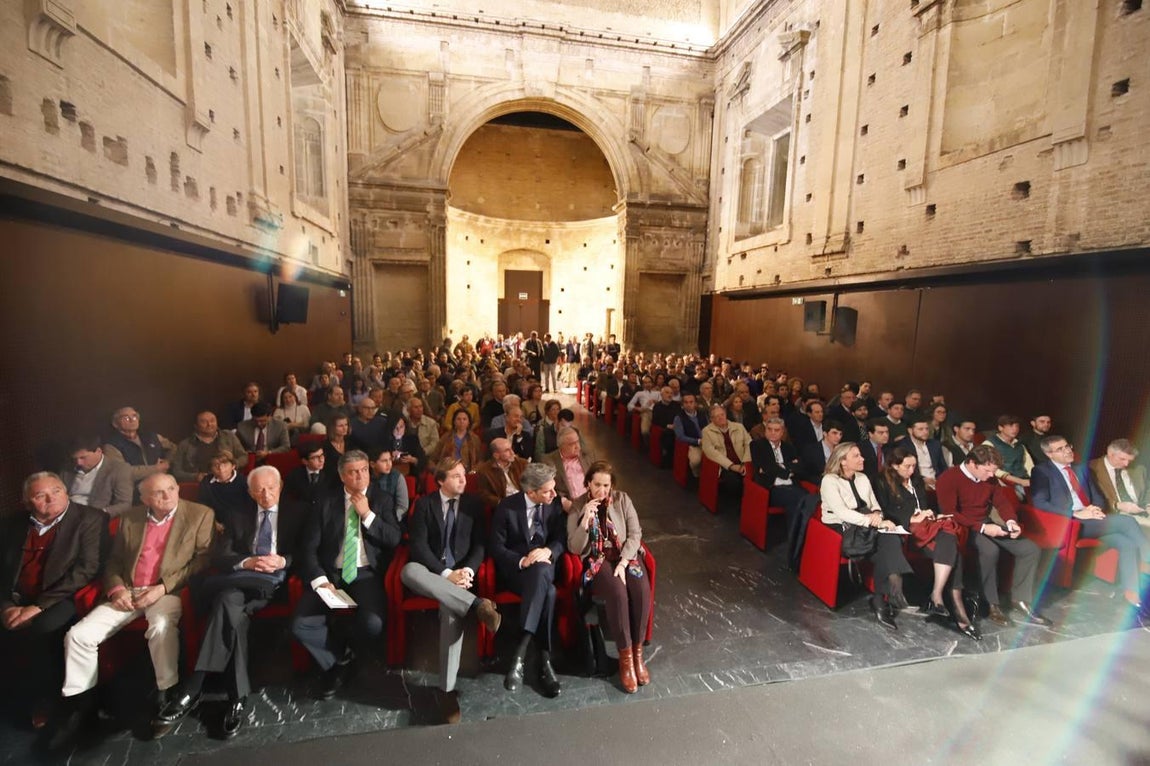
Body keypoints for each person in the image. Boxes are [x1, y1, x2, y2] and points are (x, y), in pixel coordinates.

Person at [52, 473, 214, 749]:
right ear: (144, 499)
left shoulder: (200, 514)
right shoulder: (131, 518)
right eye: (158, 493)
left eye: (171, 489)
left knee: (160, 627)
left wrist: (162, 588)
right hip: (128, 590)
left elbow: (202, 560)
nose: (167, 496)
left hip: (167, 591)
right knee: (79, 636)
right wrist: (117, 589)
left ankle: (166, 689)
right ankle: (84, 705)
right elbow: (114, 561)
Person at [154, 466, 306, 738]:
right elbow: (219, 557)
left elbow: (305, 554)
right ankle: (237, 697)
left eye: (271, 487)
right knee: (231, 609)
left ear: (281, 486)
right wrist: (248, 561)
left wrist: (282, 561)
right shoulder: (238, 514)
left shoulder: (297, 512)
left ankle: (194, 688)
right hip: (241, 582)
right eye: (259, 489)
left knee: (225, 601)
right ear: (249, 491)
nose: (266, 493)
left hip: (273, 586)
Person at [291, 451, 401, 700]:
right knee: (301, 625)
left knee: (372, 623)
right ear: (342, 476)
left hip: (365, 574)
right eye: (353, 472)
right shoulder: (325, 502)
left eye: (364, 470)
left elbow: (395, 539)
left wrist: (367, 515)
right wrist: (320, 580)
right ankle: (337, 659)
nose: (360, 476)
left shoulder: (381, 499)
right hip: (331, 574)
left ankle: (347, 652)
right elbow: (308, 548)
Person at [401, 459, 502, 724]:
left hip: (461, 579)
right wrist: (446, 574)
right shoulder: (424, 505)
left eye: (463, 475)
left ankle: (446, 691)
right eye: (456, 476)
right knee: (408, 570)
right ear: (441, 481)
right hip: (433, 574)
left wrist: (467, 571)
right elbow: (419, 547)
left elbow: (480, 544)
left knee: (450, 612)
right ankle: (477, 604)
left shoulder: (473, 505)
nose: (463, 479)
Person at [1, 473, 106, 725]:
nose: (51, 499)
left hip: (62, 596)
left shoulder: (90, 519)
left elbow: (86, 570)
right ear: (27, 502)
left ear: (66, 491)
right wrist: (5, 606)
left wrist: (37, 607)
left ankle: (49, 698)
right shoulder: (12, 524)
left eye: (56, 491)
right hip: (15, 599)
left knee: (44, 627)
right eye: (40, 495)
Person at [935, 444, 1050, 627]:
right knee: (990, 551)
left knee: (1030, 549)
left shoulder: (989, 477)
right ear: (973, 464)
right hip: (963, 527)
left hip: (986, 523)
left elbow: (1002, 502)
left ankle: (1020, 599)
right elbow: (950, 513)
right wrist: (982, 528)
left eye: (993, 472)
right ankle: (991, 604)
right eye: (988, 471)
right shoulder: (949, 478)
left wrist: (1011, 521)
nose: (991, 476)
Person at [1031, 436, 1150, 613]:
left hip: (1092, 520)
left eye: (1068, 446)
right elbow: (1040, 503)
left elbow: (1099, 498)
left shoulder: (1082, 469)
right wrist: (1076, 513)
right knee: (1127, 521)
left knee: (1127, 543)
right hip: (1069, 522)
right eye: (1060, 449)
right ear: (1049, 454)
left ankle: (1131, 594)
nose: (1068, 450)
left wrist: (1095, 510)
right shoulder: (1041, 471)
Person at [877, 448, 979, 640]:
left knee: (949, 537)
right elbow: (886, 511)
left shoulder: (916, 480)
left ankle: (938, 596)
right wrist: (913, 518)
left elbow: (924, 505)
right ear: (894, 465)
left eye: (914, 465)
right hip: (906, 532)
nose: (911, 470)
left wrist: (930, 513)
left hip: (926, 528)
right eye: (907, 466)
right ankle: (955, 609)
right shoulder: (882, 482)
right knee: (952, 546)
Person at [568, 461, 651, 694]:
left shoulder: (623, 499)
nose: (602, 490)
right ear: (588, 484)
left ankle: (637, 656)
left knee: (641, 590)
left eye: (606, 485)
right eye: (597, 485)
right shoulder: (577, 506)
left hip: (626, 554)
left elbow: (635, 534)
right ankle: (625, 661)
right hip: (598, 558)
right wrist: (584, 520)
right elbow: (574, 548)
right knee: (617, 593)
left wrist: (624, 561)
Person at [488, 463, 566, 698]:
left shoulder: (555, 505)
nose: (554, 494)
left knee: (542, 570)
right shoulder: (507, 508)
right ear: (531, 492)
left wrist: (548, 552)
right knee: (548, 594)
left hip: (545, 567)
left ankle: (519, 655)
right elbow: (496, 547)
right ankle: (545, 661)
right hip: (519, 572)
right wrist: (522, 561)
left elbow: (561, 538)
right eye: (547, 491)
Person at [819, 443, 911, 631]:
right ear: (843, 461)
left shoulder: (862, 478)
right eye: (856, 456)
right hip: (843, 528)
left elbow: (874, 504)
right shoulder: (829, 480)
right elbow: (842, 512)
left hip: (867, 524)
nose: (862, 459)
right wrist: (873, 521)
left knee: (890, 539)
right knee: (886, 544)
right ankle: (893, 585)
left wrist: (877, 516)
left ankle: (880, 599)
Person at [60, 436, 133, 517]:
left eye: (83, 457)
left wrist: (100, 514)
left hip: (95, 517)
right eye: (75, 458)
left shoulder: (118, 469)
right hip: (67, 514)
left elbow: (125, 504)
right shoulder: (68, 468)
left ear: (98, 451)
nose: (78, 463)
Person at [171, 411, 248, 483]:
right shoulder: (185, 444)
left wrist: (230, 466)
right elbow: (176, 471)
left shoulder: (229, 436)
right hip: (199, 484)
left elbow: (244, 457)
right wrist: (195, 477)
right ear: (196, 426)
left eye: (212, 420)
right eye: (204, 422)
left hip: (228, 481)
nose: (209, 424)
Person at [1089, 438, 1150, 529]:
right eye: (1122, 459)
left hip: (1142, 511)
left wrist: (1148, 504)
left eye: (1130, 460)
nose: (1126, 464)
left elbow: (1148, 489)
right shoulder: (1091, 469)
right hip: (1114, 514)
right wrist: (1117, 505)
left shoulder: (1139, 468)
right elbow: (1090, 498)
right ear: (1110, 453)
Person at [103, 406, 175, 482]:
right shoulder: (111, 446)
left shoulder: (151, 436)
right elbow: (122, 473)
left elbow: (174, 448)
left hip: (159, 482)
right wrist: (157, 468)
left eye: (134, 417)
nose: (132, 420)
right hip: (133, 488)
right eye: (126, 418)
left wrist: (167, 461)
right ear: (115, 424)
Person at [701, 404, 751, 506]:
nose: (720, 417)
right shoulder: (707, 431)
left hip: (743, 462)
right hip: (724, 466)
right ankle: (740, 505)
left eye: (722, 414)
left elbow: (749, 444)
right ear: (711, 419)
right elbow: (711, 452)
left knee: (754, 478)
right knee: (734, 482)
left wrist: (746, 462)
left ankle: (751, 504)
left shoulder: (739, 427)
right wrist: (731, 466)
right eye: (716, 416)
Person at [197, 451, 251, 529]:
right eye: (216, 465)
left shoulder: (244, 482)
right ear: (211, 469)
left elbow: (248, 509)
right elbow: (202, 505)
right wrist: (213, 523)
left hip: (239, 524)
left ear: (233, 466)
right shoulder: (206, 482)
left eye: (225, 464)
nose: (221, 468)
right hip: (213, 522)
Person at [544, 426, 593, 510]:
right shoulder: (549, 461)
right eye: (572, 444)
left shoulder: (588, 455)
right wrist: (562, 501)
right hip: (569, 505)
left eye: (577, 441)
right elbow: (547, 489)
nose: (577, 446)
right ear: (561, 446)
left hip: (591, 501)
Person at [986, 414, 1033, 499]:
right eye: (1011, 426)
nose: (1015, 429)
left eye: (1017, 426)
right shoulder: (990, 444)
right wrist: (1020, 481)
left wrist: (1033, 478)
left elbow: (1028, 463)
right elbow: (991, 469)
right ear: (1000, 428)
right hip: (1007, 482)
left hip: (1025, 479)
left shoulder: (1019, 444)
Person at [476, 437, 527, 510]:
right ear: (496, 455)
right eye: (507, 450)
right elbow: (484, 495)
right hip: (504, 505)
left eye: (511, 448)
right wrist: (501, 502)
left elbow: (531, 483)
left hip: (523, 500)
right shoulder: (484, 471)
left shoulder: (522, 464)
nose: (512, 453)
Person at [285, 442, 336, 507]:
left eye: (322, 455)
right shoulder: (294, 476)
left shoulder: (332, 473)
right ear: (305, 461)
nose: (321, 460)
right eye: (315, 457)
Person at [904, 416, 947, 490]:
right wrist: (922, 480)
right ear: (910, 430)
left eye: (927, 429)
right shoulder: (903, 446)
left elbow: (942, 467)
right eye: (921, 429)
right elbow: (904, 470)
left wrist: (940, 480)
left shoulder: (935, 444)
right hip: (916, 482)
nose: (925, 432)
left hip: (936, 482)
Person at [672, 393, 708, 477]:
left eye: (691, 402)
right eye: (686, 402)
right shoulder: (679, 418)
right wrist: (698, 441)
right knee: (696, 461)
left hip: (706, 441)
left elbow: (708, 427)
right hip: (692, 444)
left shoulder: (702, 414)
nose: (689, 404)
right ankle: (697, 475)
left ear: (695, 403)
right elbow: (680, 436)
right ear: (682, 405)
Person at [371, 450, 410, 523]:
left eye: (390, 459)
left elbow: (403, 507)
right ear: (372, 464)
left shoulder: (397, 477)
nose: (389, 464)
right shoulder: (366, 478)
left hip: (392, 520)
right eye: (384, 461)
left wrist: (390, 519)